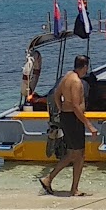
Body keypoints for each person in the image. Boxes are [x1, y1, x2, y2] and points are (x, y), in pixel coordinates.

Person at [41, 55, 96, 196]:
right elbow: (77, 107)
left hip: (67, 117)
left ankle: (73, 189)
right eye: (86, 68)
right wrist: (89, 125)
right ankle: (49, 178)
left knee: (78, 154)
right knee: (75, 154)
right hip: (73, 118)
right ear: (85, 67)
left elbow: (56, 94)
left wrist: (61, 109)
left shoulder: (67, 76)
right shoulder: (77, 82)